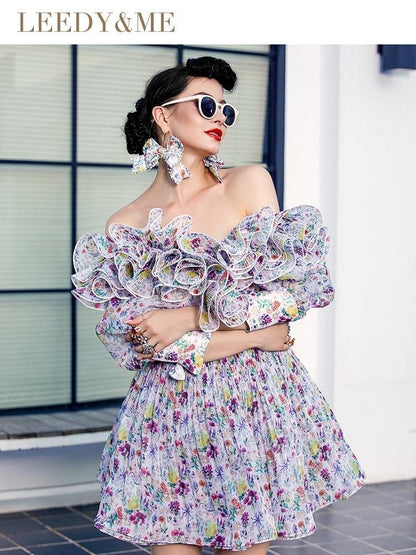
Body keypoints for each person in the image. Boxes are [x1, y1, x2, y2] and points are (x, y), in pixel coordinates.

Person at [71, 56, 365, 555]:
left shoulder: (249, 183)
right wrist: (254, 335)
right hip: (167, 412)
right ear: (164, 116)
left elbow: (285, 298)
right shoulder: (125, 225)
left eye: (226, 110)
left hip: (252, 403)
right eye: (206, 105)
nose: (220, 119)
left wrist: (188, 317)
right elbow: (148, 345)